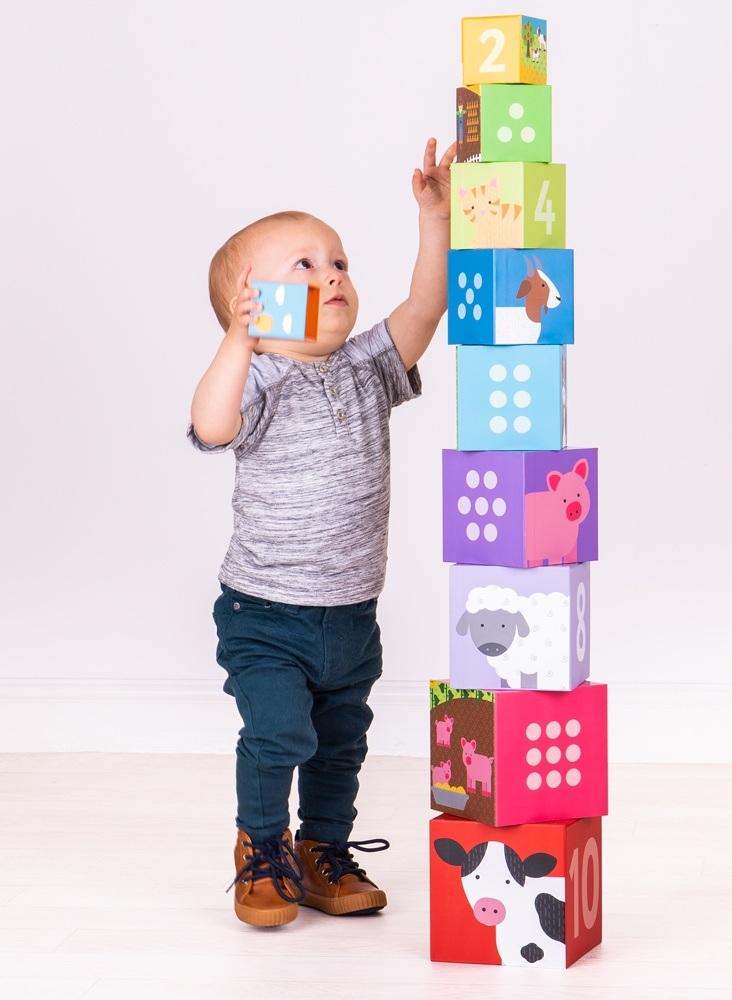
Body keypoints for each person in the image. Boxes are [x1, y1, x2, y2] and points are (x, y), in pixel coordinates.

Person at [188, 138, 456, 927]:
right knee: (279, 737)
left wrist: (433, 220)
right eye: (302, 266)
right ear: (251, 305)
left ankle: (323, 849)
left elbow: (424, 306)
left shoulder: (367, 366)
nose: (331, 274)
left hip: (351, 614)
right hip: (265, 614)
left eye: (336, 261)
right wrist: (237, 342)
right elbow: (210, 424)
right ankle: (261, 851)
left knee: (341, 744)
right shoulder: (260, 375)